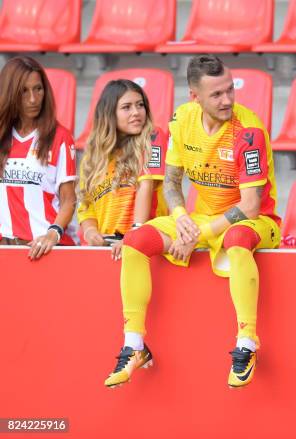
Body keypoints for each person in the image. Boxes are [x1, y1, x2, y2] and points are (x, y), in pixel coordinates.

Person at [103, 55, 281, 389]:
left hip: (257, 222)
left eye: (230, 90)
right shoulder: (181, 121)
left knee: (238, 239)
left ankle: (247, 342)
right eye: (216, 94)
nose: (227, 100)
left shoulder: (249, 130)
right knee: (136, 242)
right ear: (194, 97)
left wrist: (198, 232)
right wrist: (182, 219)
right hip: (202, 219)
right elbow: (170, 183)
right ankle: (135, 344)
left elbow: (252, 205)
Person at [77, 80, 167, 261]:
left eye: (140, 105)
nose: (136, 112)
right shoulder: (93, 155)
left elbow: (146, 186)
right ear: (109, 114)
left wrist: (134, 235)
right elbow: (86, 207)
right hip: (106, 249)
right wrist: (90, 231)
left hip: (146, 244)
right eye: (126, 107)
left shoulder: (153, 137)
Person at [0, 56, 78, 258]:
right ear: (9, 93)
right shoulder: (2, 136)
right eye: (24, 91)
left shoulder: (60, 137)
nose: (33, 99)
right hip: (6, 251)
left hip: (47, 251)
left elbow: (69, 199)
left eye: (38, 89)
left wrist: (52, 235)